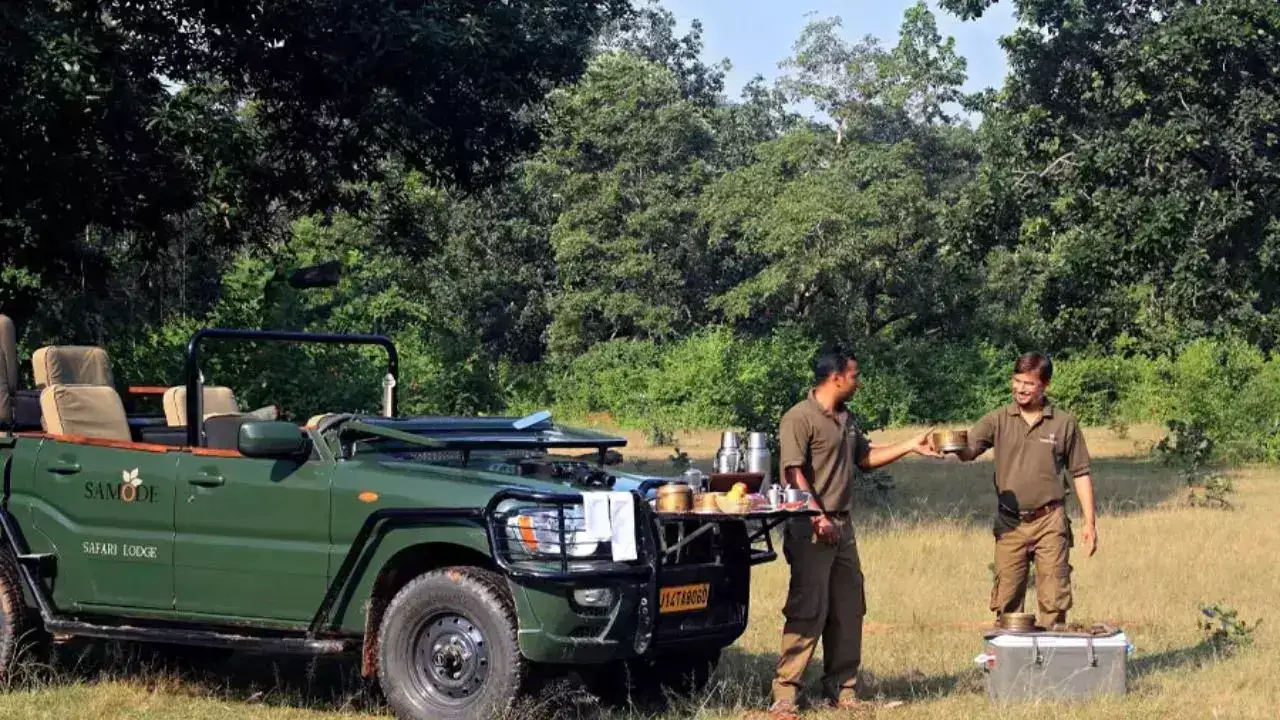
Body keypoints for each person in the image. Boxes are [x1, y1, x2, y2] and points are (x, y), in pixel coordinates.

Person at [769, 349, 938, 719]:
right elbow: (793, 474)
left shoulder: (846, 418)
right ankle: (785, 695)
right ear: (836, 378)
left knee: (849, 608)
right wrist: (817, 517)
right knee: (808, 609)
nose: (858, 382)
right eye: (854, 375)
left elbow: (865, 458)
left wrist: (910, 445)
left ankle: (842, 690)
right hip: (811, 526)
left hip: (843, 526)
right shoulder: (799, 417)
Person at [946, 352, 1097, 630]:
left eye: (1028, 383)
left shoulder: (1063, 423)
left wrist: (1090, 522)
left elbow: (1081, 473)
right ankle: (1011, 657)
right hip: (1010, 522)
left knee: (1054, 601)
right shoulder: (997, 419)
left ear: (1045, 385)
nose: (1020, 388)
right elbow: (969, 451)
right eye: (1016, 381)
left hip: (1050, 521)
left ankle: (1051, 655)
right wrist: (951, 445)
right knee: (1007, 601)